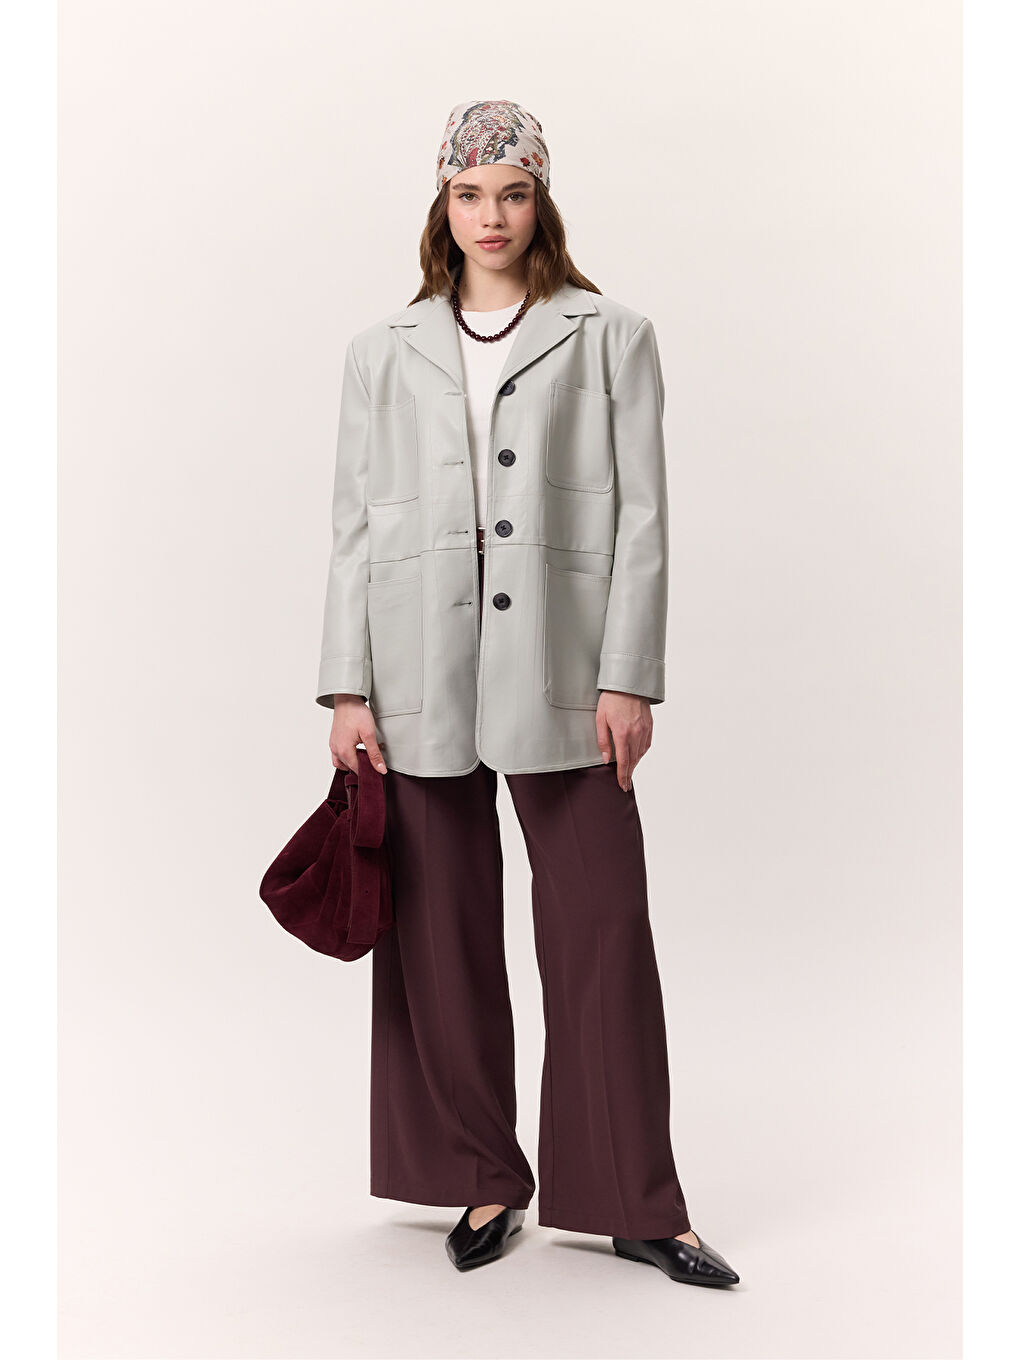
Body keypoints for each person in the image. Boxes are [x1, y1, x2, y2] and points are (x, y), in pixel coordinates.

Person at [315, 98, 740, 1287]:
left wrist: (628, 675)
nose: (490, 215)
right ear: (441, 204)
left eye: (511, 192)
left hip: (565, 670)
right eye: (469, 194)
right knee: (438, 937)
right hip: (415, 670)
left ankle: (635, 1202)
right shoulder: (380, 351)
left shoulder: (612, 335)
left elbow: (643, 517)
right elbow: (355, 528)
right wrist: (347, 689)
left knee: (602, 928)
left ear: (540, 200)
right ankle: (483, 1175)